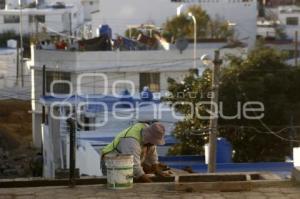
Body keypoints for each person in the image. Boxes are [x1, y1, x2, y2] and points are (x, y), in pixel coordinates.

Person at [101, 122, 169, 182]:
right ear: (148, 138)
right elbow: (136, 170)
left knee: (130, 182)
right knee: (119, 187)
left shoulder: (147, 131)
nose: (154, 144)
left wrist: (157, 170)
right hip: (111, 163)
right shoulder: (131, 141)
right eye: (153, 141)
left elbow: (153, 156)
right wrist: (152, 185)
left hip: (125, 162)